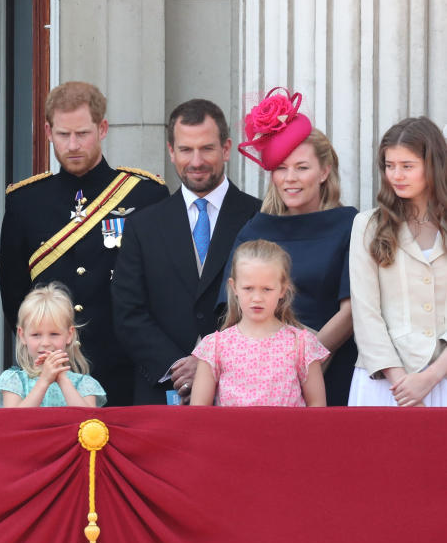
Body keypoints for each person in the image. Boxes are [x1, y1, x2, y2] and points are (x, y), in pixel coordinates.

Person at [0, 82, 166, 406]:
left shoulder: (145, 196)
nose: (73, 145)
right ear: (48, 132)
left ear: (102, 128)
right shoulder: (25, 202)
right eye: (63, 135)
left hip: (125, 369)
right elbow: (15, 298)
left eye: (82, 133)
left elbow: (159, 288)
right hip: (49, 375)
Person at [112, 99, 261, 404]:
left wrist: (209, 365)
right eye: (185, 150)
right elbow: (129, 313)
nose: (196, 161)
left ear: (226, 148)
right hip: (162, 391)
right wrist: (177, 366)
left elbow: (269, 306)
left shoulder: (259, 218)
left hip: (243, 389)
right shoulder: (143, 226)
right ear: (171, 151)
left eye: (206, 148)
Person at [220, 88, 358, 405]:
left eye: (302, 167)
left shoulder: (351, 225)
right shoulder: (254, 229)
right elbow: (233, 307)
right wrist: (274, 366)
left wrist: (303, 363)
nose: (290, 178)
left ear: (324, 171)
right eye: (281, 168)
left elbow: (352, 311)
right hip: (259, 376)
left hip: (331, 369)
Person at [349, 117, 447, 407]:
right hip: (384, 382)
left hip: (441, 376)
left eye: (407, 166)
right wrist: (402, 385)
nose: (396, 175)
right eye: (390, 166)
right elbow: (365, 313)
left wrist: (429, 379)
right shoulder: (367, 226)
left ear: (433, 166)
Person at [191, 240, 328, 406]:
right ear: (234, 287)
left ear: (283, 289)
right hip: (231, 433)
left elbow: (318, 410)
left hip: (287, 432)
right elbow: (199, 412)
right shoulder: (214, 346)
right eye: (248, 288)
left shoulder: (302, 344)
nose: (257, 298)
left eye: (267, 289)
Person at [0, 283, 105, 408]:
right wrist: (44, 381)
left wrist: (62, 379)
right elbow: (14, 422)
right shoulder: (13, 381)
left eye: (54, 334)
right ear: (22, 335)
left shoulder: (83, 384)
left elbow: (89, 421)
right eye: (36, 335)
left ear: (69, 335)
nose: (45, 343)